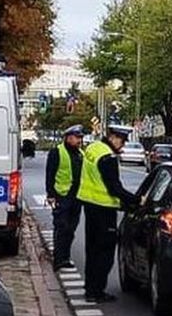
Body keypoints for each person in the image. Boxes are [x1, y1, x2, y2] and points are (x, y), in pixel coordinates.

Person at [78, 124, 138, 303]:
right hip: (104, 209)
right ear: (113, 138)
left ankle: (90, 288)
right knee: (104, 252)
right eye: (122, 141)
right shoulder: (108, 157)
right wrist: (135, 201)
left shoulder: (93, 147)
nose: (123, 145)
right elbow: (114, 188)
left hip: (89, 205)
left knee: (92, 249)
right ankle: (97, 291)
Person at [45, 124, 86, 271]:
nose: (80, 140)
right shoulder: (57, 152)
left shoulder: (80, 154)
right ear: (68, 138)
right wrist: (50, 194)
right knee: (61, 227)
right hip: (62, 195)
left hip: (77, 197)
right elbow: (50, 173)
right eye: (77, 138)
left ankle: (65, 257)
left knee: (71, 229)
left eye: (80, 138)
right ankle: (58, 259)